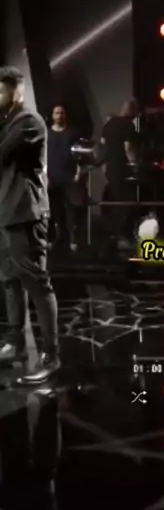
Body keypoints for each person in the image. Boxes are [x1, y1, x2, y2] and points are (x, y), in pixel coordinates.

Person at [0, 66, 60, 383]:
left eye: (0, 91)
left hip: (26, 213)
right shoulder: (7, 123)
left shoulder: (27, 122)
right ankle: (16, 343)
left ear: (16, 92)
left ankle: (51, 355)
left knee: (37, 283)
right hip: (6, 213)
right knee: (9, 279)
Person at [100, 98, 139, 247]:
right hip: (122, 167)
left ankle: (115, 235)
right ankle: (124, 236)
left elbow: (103, 144)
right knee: (127, 201)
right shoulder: (128, 125)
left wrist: (103, 164)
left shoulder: (109, 124)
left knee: (115, 199)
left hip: (110, 167)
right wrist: (134, 164)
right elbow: (128, 147)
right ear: (132, 112)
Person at [48, 105, 80, 252]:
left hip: (69, 177)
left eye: (62, 113)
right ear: (52, 115)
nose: (59, 115)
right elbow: (42, 155)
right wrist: (44, 175)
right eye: (57, 113)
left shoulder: (72, 133)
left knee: (72, 210)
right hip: (52, 177)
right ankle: (54, 238)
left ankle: (72, 240)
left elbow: (79, 155)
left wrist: (79, 172)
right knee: (53, 211)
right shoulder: (47, 134)